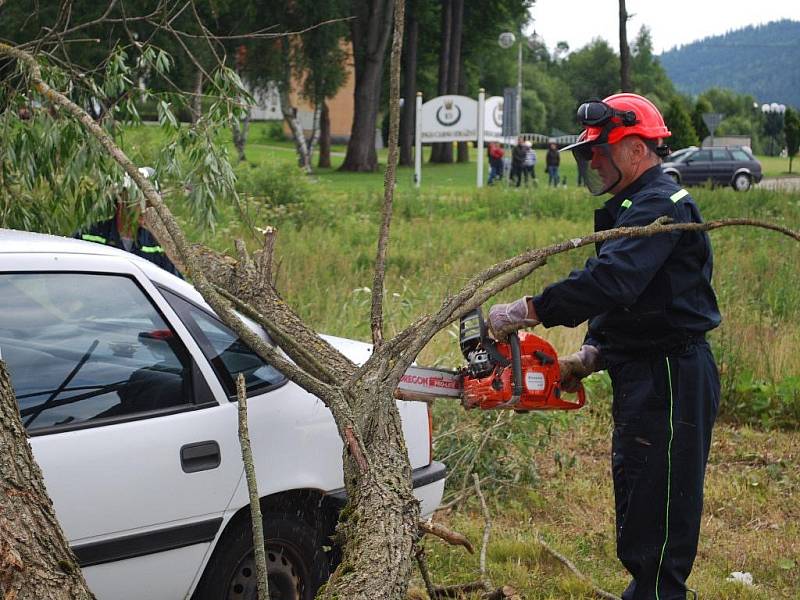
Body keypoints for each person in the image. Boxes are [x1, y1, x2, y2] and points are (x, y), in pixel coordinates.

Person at [488, 93, 720, 600]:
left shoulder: (662, 206)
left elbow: (613, 281)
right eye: (588, 152)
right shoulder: (633, 205)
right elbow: (633, 301)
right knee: (640, 494)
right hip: (644, 369)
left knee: (658, 513)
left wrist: (530, 309)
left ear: (636, 149)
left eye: (601, 150)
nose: (592, 160)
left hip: (671, 374)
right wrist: (591, 354)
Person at [75, 167, 181, 277]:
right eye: (140, 199)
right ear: (121, 197)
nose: (146, 208)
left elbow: (177, 287)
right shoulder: (88, 237)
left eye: (150, 202)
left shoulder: (157, 247)